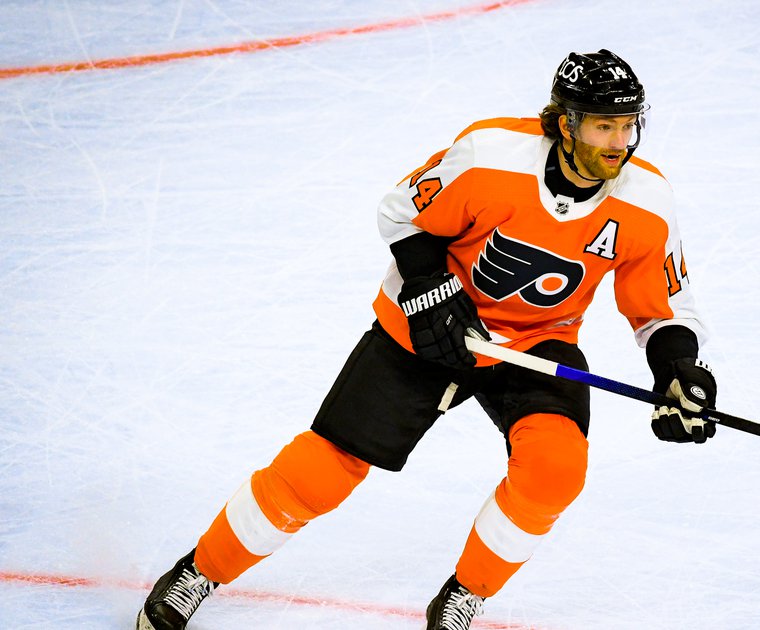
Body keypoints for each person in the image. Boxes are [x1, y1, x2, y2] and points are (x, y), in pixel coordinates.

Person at [136, 48, 717, 630]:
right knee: (324, 469)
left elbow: (662, 310)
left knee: (555, 470)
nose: (619, 141)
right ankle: (198, 572)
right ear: (565, 123)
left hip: (534, 344)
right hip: (428, 326)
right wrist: (429, 288)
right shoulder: (489, 155)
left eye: (627, 124)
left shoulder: (646, 201)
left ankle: (465, 594)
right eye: (602, 125)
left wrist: (677, 371)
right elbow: (401, 211)